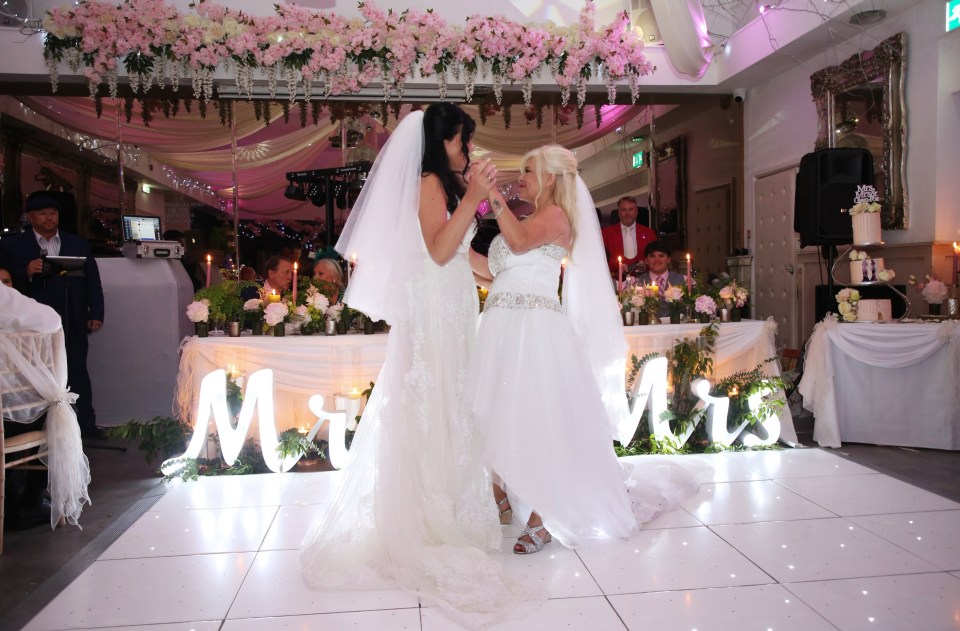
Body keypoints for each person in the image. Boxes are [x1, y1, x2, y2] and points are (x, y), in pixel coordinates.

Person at [300, 104, 535, 627]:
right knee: (438, 401)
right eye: (461, 141)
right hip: (433, 310)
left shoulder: (445, 186)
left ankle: (454, 503)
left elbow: (459, 255)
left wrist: (507, 279)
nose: (467, 150)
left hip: (451, 302)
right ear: (439, 143)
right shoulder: (431, 180)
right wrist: (474, 196)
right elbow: (436, 249)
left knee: (457, 402)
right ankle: (434, 516)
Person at [468, 146, 703, 554]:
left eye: (529, 170)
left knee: (539, 418)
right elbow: (494, 272)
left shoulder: (555, 217)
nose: (520, 177)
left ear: (551, 178)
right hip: (500, 325)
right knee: (493, 410)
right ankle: (499, 495)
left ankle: (542, 517)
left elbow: (520, 243)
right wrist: (454, 251)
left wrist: (492, 196)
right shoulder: (524, 217)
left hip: (534, 330)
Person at [0, 192, 105, 439]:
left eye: (53, 213)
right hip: (31, 326)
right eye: (43, 213)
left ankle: (84, 426)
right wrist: (25, 270)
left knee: (77, 370)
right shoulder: (12, 244)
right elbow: (5, 281)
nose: (49, 218)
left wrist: (96, 310)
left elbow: (93, 280)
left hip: (72, 316)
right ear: (31, 216)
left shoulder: (76, 243)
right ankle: (42, 427)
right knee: (38, 374)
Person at [601, 196, 657, 276]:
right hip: (615, 280)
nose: (627, 213)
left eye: (631, 209)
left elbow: (655, 256)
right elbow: (602, 257)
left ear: (636, 212)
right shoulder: (606, 233)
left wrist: (645, 263)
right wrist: (618, 266)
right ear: (618, 213)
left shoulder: (649, 233)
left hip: (644, 280)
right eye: (624, 210)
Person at [639, 240, 687, 317]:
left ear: (669, 259)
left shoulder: (684, 280)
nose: (657, 260)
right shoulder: (638, 282)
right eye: (652, 256)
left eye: (661, 256)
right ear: (646, 260)